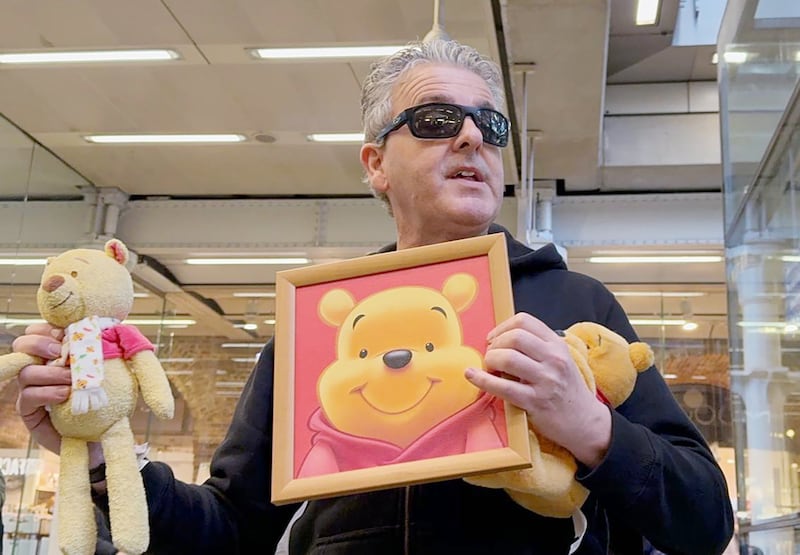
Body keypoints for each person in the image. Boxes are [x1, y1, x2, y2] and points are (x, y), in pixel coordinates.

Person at [12, 39, 734, 554]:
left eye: (490, 125)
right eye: (434, 121)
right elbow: (230, 528)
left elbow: (704, 518)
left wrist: (591, 426)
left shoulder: (576, 303)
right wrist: (103, 451)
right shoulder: (313, 329)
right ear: (376, 164)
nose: (470, 139)